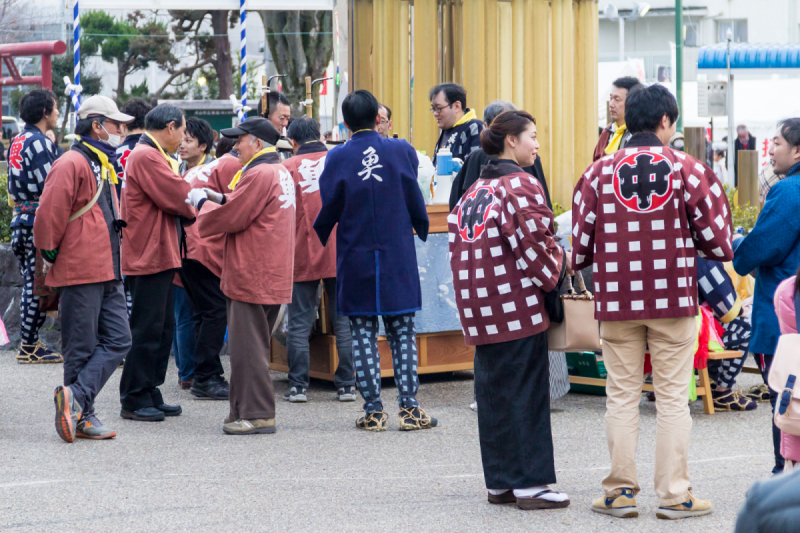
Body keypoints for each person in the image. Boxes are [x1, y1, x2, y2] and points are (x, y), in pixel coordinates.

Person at [572, 83, 732, 520]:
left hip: (617, 301)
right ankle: (675, 494)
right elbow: (719, 243)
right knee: (673, 399)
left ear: (629, 120)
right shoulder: (690, 169)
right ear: (665, 122)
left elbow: (580, 248)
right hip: (673, 301)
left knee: (621, 397)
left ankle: (620, 493)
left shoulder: (598, 172)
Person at [449, 110, 570, 510]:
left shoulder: (474, 190)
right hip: (515, 306)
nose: (537, 144)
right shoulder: (521, 185)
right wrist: (562, 267)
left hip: (479, 307)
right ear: (511, 141)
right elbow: (538, 247)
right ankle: (531, 484)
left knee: (495, 396)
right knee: (527, 395)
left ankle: (499, 482)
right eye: (532, 136)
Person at [314, 89, 436, 432]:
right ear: (378, 118)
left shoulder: (337, 156)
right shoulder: (400, 150)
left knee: (362, 332)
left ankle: (372, 411)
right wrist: (419, 222)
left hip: (356, 252)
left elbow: (330, 202)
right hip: (396, 251)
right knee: (402, 330)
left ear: (346, 122)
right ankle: (410, 408)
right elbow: (415, 194)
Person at [33, 95, 134, 442]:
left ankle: (75, 399)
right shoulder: (72, 162)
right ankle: (82, 414)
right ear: (97, 125)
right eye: (117, 124)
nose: (122, 130)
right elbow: (47, 219)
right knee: (81, 346)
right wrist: (53, 256)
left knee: (120, 339)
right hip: (81, 267)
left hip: (108, 266)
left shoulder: (99, 161)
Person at [189, 116, 294, 435]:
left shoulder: (259, 173)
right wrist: (214, 197)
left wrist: (202, 206)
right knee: (251, 345)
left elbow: (234, 215)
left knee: (248, 349)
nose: (235, 146)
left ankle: (259, 413)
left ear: (257, 143)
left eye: (240, 140)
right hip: (269, 270)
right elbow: (241, 204)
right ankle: (242, 410)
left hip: (253, 271)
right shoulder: (277, 170)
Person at [732, 118, 800, 476]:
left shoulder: (789, 191)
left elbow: (762, 246)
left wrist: (738, 246)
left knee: (787, 398)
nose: (771, 150)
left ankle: (784, 474)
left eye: (777, 143)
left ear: (797, 150)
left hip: (785, 312)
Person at [119, 104, 195, 422]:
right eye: (183, 132)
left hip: (157, 251)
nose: (182, 138)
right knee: (148, 328)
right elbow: (179, 196)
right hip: (147, 254)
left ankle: (150, 389)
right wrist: (193, 204)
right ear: (170, 127)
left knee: (162, 327)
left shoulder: (150, 152)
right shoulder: (147, 155)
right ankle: (134, 396)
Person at [281, 116, 355, 403]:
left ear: (292, 141)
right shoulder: (339, 160)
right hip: (340, 248)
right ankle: (347, 384)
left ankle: (298, 386)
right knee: (344, 320)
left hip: (302, 250)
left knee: (299, 321)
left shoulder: (286, 167)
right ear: (319, 136)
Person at [179, 121, 238, 401]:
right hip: (203, 245)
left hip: (186, 246)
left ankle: (202, 373)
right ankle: (205, 376)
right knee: (215, 311)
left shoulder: (193, 170)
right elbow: (236, 203)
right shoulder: (228, 164)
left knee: (201, 313)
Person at [7, 89, 62, 364]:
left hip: (20, 217)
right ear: (44, 112)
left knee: (31, 281)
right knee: (36, 283)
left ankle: (29, 343)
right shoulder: (39, 142)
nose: (57, 113)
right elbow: (51, 185)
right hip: (35, 220)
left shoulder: (17, 140)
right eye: (55, 108)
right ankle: (29, 345)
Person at [171, 117, 216, 389]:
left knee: (196, 311)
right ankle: (186, 372)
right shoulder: (174, 169)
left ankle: (194, 370)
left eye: (189, 140)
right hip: (180, 248)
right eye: (182, 139)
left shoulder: (213, 170)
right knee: (182, 313)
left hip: (204, 249)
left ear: (204, 145)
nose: (182, 145)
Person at [449, 100, 552, 211]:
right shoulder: (527, 174)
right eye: (533, 137)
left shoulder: (476, 164)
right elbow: (544, 212)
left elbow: (456, 206)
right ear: (512, 138)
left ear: (486, 125)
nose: (537, 145)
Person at [696, 258, 756, 411]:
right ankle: (723, 392)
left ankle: (654, 381)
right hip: (688, 332)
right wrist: (742, 310)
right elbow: (724, 302)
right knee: (744, 328)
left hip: (647, 330)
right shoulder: (702, 258)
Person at [429, 82, 484, 166]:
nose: (435, 113)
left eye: (439, 108)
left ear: (457, 106)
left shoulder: (475, 127)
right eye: (433, 109)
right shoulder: (446, 129)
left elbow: (475, 167)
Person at [593, 77, 641, 162]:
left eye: (617, 99)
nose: (611, 104)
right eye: (611, 98)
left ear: (632, 102)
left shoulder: (640, 132)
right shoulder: (607, 131)